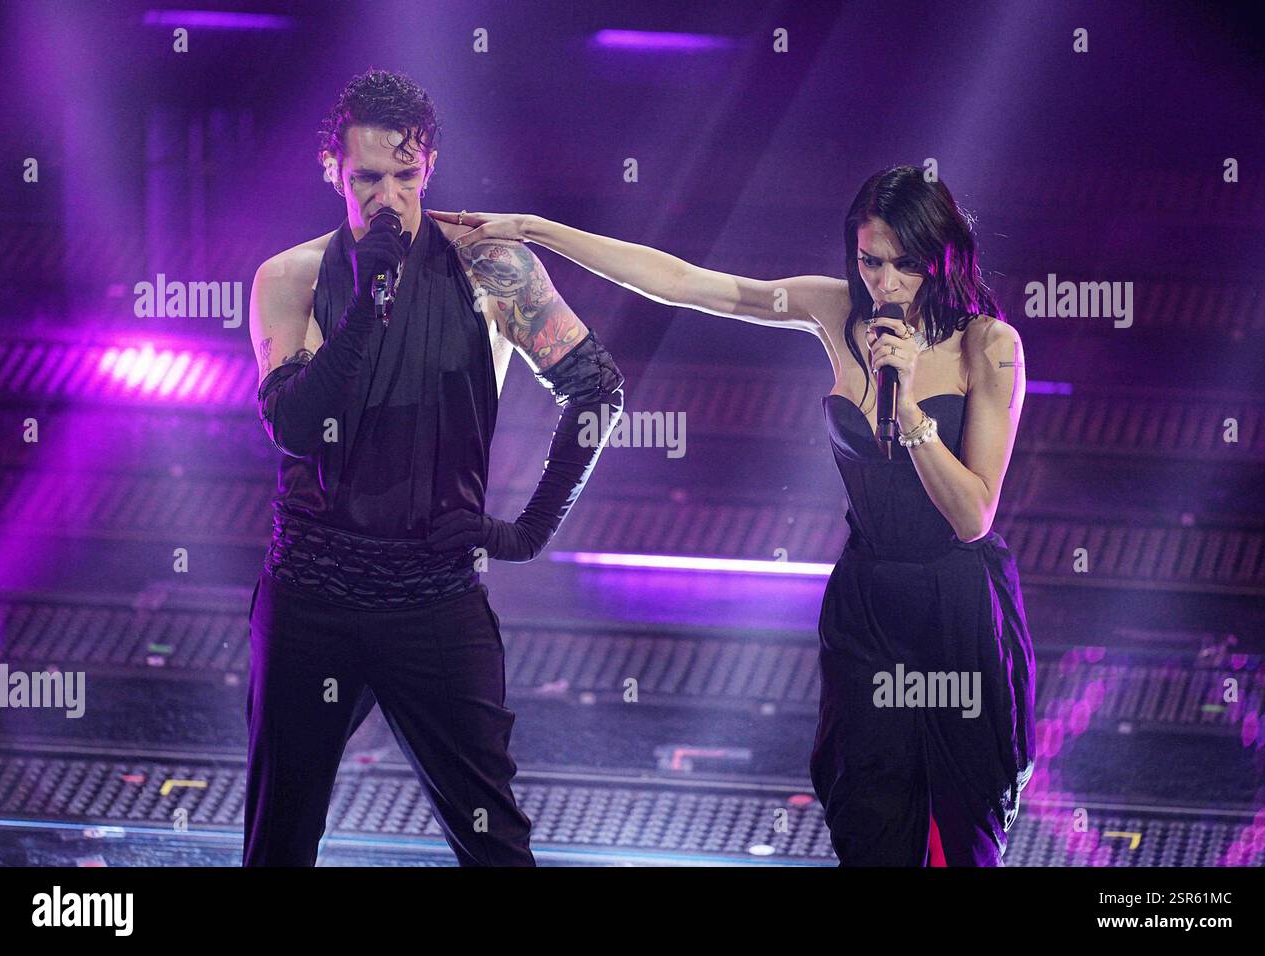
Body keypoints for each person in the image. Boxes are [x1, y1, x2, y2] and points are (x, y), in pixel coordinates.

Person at [430, 165, 1035, 866]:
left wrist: (907, 413)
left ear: (941, 256)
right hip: (868, 605)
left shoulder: (988, 347)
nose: (887, 282)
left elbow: (973, 516)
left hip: (957, 610)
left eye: (905, 264)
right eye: (872, 261)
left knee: (964, 838)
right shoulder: (834, 311)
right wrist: (532, 229)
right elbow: (688, 283)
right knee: (869, 826)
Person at [244, 69, 624, 866]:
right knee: (279, 840)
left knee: (495, 844)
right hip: (314, 595)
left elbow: (597, 387)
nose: (389, 197)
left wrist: (526, 532)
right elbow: (297, 425)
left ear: (431, 168)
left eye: (406, 177)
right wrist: (368, 296)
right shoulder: (290, 278)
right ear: (332, 173)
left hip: (434, 596)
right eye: (368, 180)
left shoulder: (491, 267)